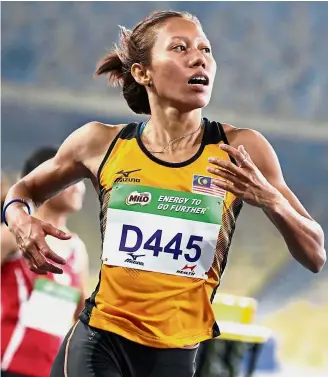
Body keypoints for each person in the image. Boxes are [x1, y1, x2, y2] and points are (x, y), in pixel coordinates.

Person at [2, 10, 326, 377]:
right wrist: (19, 219)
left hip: (176, 354)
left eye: (205, 49)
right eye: (180, 47)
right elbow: (24, 191)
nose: (199, 57)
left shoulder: (241, 148)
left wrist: (270, 198)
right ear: (143, 73)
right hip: (101, 340)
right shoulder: (100, 143)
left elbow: (315, 254)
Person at [1, 147, 89, 377]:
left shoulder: (78, 250)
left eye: (81, 181)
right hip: (7, 363)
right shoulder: (13, 234)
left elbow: (84, 318)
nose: (80, 188)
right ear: (44, 182)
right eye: (72, 181)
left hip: (49, 371)